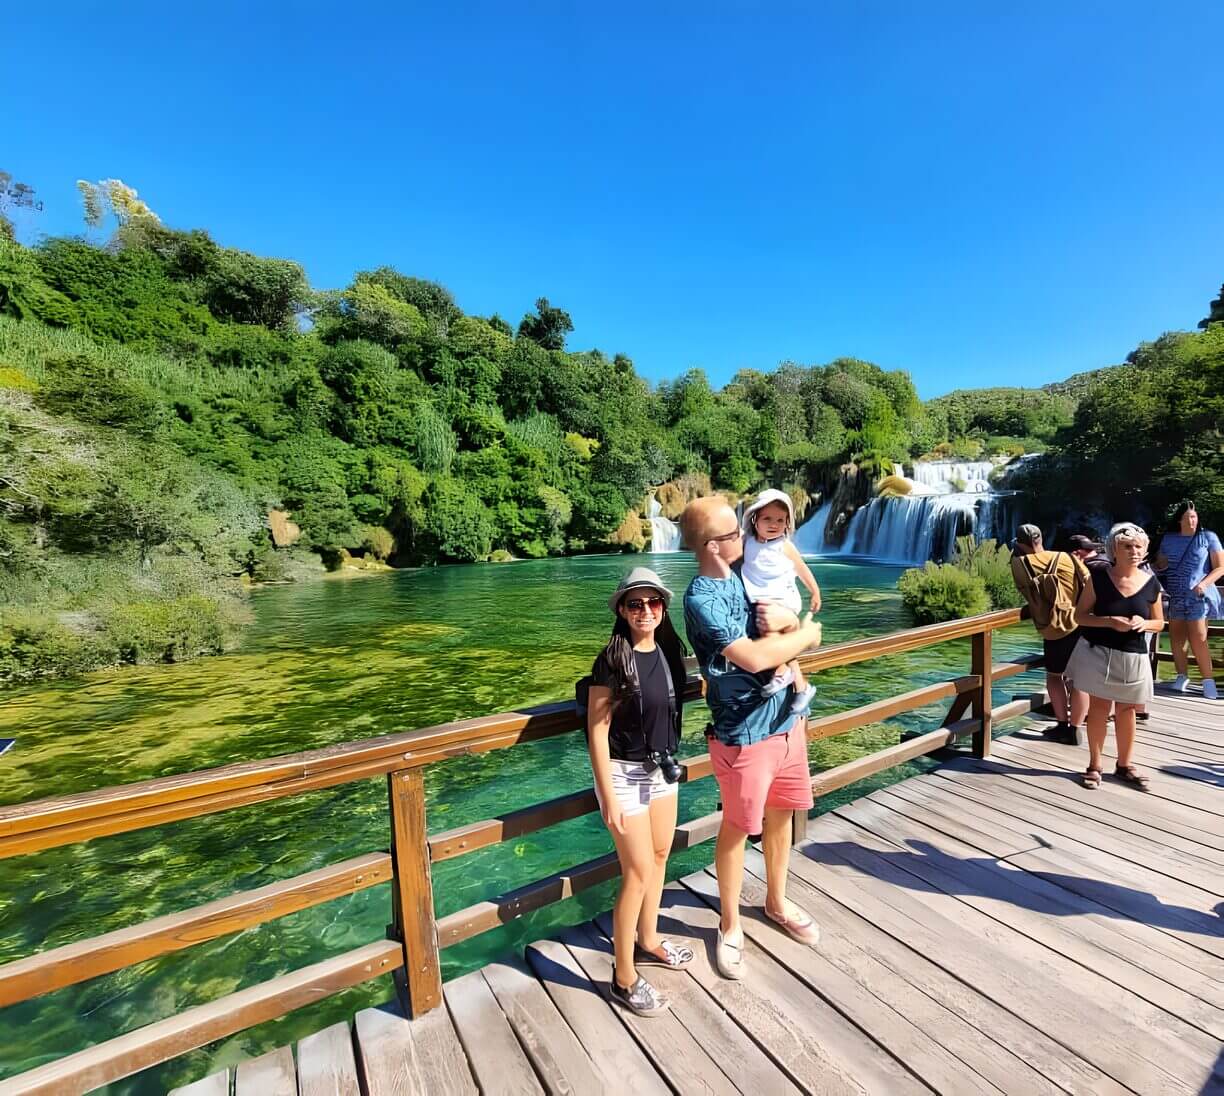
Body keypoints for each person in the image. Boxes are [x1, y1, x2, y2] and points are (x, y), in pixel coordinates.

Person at [680, 496, 825, 981]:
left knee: (782, 815)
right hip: (742, 731)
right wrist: (806, 636)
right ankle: (730, 922)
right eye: (734, 532)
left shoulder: (749, 573)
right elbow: (754, 658)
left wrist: (794, 625)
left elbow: (783, 614)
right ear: (713, 545)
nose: (746, 536)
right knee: (738, 828)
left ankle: (777, 901)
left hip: (786, 720)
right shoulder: (701, 598)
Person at [586, 567, 695, 1016]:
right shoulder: (612, 658)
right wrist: (608, 796)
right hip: (623, 774)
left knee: (659, 855)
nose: (645, 611)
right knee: (635, 872)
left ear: (663, 608)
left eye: (653, 603)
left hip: (660, 769)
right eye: (635, 604)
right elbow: (596, 730)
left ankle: (648, 940)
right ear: (621, 610)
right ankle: (623, 976)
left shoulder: (669, 651)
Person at [1065, 522, 1164, 791]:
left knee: (1127, 709)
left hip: (1133, 654)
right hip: (1099, 653)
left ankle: (1124, 765)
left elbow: (1159, 623)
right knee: (1099, 708)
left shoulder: (1151, 582)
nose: (1134, 551)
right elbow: (1079, 616)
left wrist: (1143, 624)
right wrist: (1110, 621)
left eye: (1138, 547)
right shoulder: (1097, 578)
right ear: (1114, 550)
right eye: (1127, 546)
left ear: (1145, 551)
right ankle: (1094, 765)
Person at [740, 489, 822, 715]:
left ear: (787, 523)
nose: (774, 524)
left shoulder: (784, 545)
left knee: (767, 626)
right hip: (764, 599)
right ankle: (800, 685)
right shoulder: (746, 541)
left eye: (780, 520)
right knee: (775, 639)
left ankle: (780, 671)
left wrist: (815, 592)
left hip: (782, 600)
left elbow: (802, 570)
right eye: (767, 518)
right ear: (754, 519)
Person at [1010, 524, 1090, 744]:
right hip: (1080, 623)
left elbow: (1021, 587)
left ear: (1019, 543)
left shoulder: (1020, 563)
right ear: (1041, 538)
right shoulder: (1067, 557)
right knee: (1079, 681)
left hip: (1054, 627)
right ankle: (1076, 728)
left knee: (1055, 677)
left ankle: (1062, 724)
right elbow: (1088, 580)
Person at [1154, 500, 1223, 700]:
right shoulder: (1169, 539)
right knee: (1176, 637)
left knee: (1199, 637)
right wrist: (1159, 564)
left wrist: (1205, 583)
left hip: (1198, 594)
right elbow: (1161, 565)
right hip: (1175, 592)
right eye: (1187, 517)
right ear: (1179, 520)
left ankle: (1208, 680)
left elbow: (1220, 567)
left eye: (1194, 516)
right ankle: (1181, 676)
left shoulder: (1208, 537)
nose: (1192, 521)